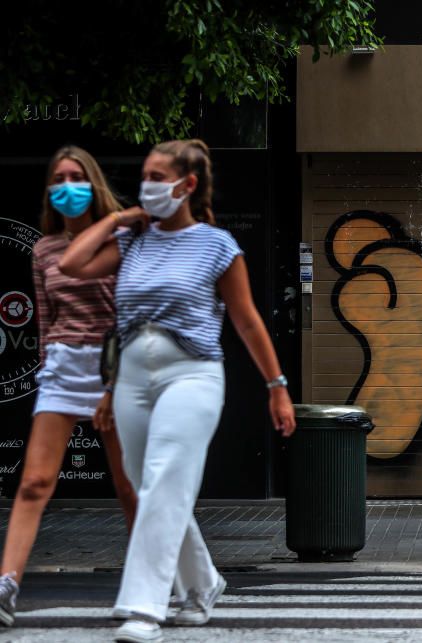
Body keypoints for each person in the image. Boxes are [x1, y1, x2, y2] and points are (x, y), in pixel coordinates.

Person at [59, 139, 295, 642]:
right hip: (132, 378)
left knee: (166, 476)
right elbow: (72, 264)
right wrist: (117, 219)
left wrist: (277, 387)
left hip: (192, 374)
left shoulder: (217, 246)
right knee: (152, 488)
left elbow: (248, 322)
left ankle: (144, 606)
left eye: (157, 176)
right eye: (144, 175)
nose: (148, 185)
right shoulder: (133, 241)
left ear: (187, 185)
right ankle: (203, 583)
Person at [0, 146, 138, 626]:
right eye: (58, 177)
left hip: (110, 367)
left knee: (128, 486)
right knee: (35, 481)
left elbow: (130, 315)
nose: (66, 185)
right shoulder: (43, 250)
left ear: (93, 182)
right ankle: (6, 585)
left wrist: (114, 384)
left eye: (76, 176)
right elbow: (45, 321)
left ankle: (152, 581)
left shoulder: (121, 238)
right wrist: (45, 373)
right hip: (61, 367)